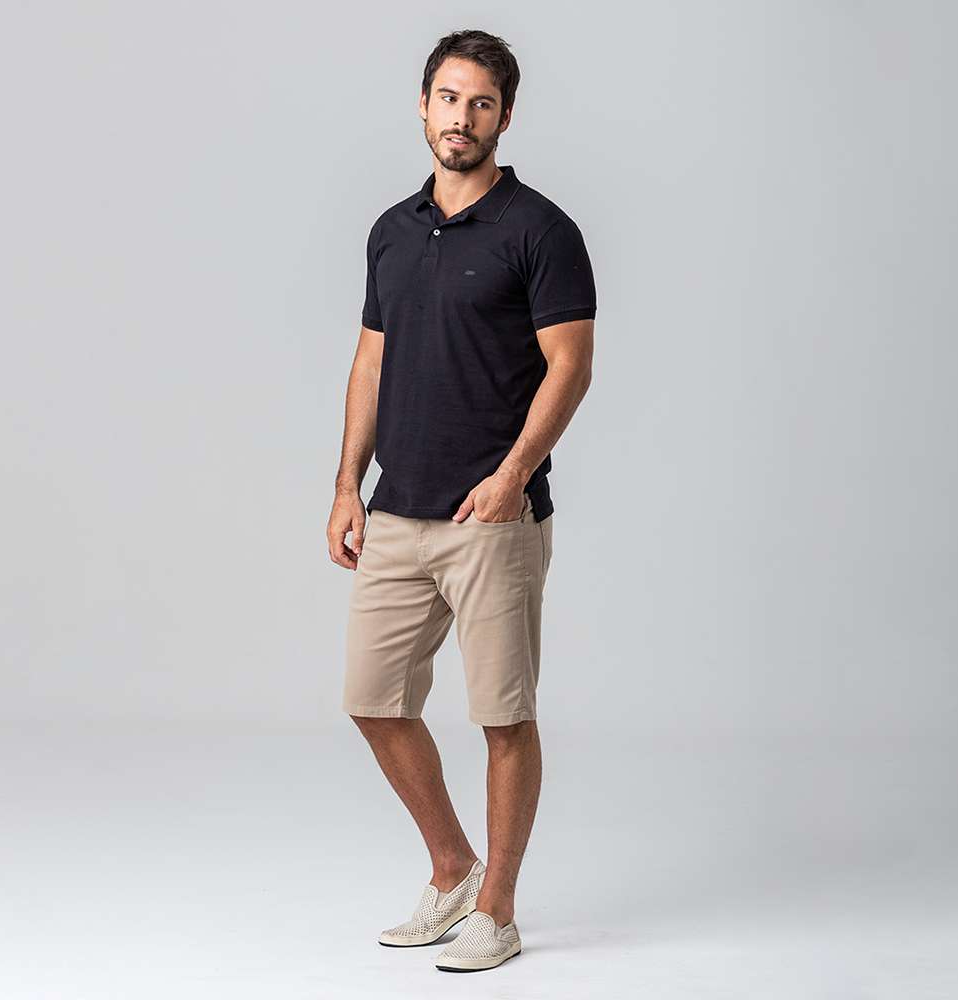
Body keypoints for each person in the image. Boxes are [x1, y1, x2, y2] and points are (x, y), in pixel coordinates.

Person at [327, 28, 596, 973]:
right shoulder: (392, 231)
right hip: (398, 509)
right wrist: (346, 486)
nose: (462, 116)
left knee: (502, 717)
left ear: (504, 118)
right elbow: (371, 361)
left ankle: (498, 910)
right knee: (372, 701)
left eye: (481, 102)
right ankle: (452, 870)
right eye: (449, 97)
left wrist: (514, 473)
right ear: (423, 106)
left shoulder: (541, 230)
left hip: (494, 516)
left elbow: (571, 365)